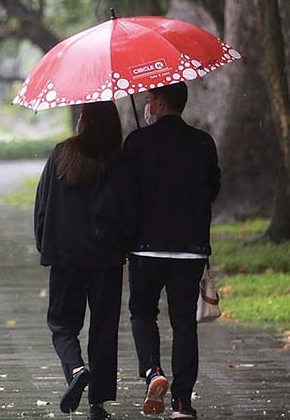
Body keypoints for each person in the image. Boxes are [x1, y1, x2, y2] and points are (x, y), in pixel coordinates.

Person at [122, 83, 221, 420]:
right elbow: (212, 188)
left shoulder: (137, 143)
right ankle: (182, 403)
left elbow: (127, 194)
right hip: (190, 250)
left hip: (146, 249)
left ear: (160, 103)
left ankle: (153, 371)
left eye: (148, 100)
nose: (146, 106)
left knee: (141, 312)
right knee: (183, 324)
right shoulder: (203, 142)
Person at [34, 101, 135, 420]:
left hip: (66, 256)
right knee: (104, 327)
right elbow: (129, 210)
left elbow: (43, 204)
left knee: (62, 323)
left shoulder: (61, 153)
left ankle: (76, 368)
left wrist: (44, 244)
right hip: (106, 256)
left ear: (85, 120)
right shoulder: (118, 162)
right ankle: (98, 402)